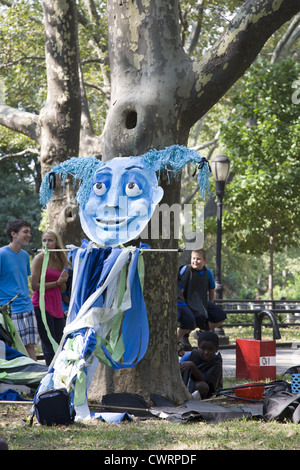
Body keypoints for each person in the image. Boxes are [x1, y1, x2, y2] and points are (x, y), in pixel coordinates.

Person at [0, 219, 38, 360]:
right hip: (10, 310)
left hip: (27, 307)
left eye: (29, 231)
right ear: (13, 234)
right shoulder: (1, 254)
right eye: (25, 232)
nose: (29, 235)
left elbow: (21, 281)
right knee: (15, 348)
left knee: (30, 346)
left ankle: (35, 379)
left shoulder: (24, 256)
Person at [31, 229, 70, 366]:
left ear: (56, 243)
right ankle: (50, 374)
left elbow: (61, 289)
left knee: (60, 339)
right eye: (44, 240)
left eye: (50, 240)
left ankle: (59, 372)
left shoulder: (59, 259)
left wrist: (63, 281)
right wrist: (57, 282)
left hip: (56, 304)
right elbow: (35, 285)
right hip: (42, 304)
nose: (47, 243)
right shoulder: (39, 258)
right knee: (48, 341)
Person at [177, 248, 226, 351]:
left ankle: (200, 332)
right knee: (190, 320)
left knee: (221, 315)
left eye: (198, 259)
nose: (195, 261)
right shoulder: (185, 270)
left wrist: (210, 302)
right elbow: (179, 288)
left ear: (205, 261)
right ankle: (177, 340)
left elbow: (212, 288)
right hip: (185, 302)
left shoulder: (207, 273)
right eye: (193, 258)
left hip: (201, 302)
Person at [180, 331, 223, 399]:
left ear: (216, 349)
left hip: (205, 389)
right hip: (185, 384)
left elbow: (205, 380)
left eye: (210, 349)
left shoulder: (216, 362)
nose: (206, 352)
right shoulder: (190, 356)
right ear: (198, 347)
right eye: (203, 348)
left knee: (202, 386)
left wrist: (192, 366)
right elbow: (177, 370)